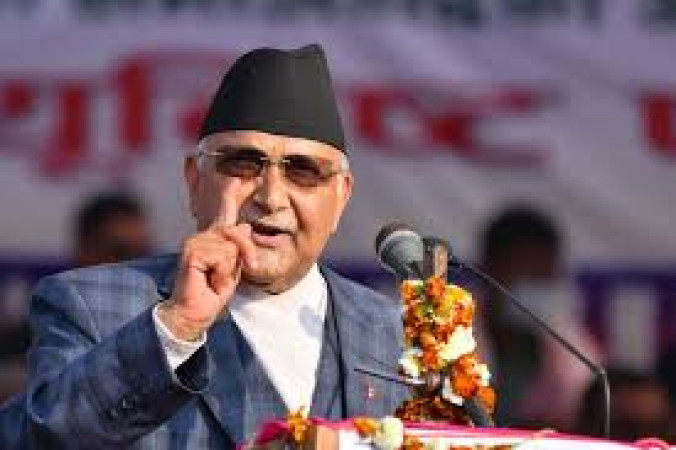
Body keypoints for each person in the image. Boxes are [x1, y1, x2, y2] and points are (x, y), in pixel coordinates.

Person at [0, 44, 408, 449]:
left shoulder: (394, 334)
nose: (271, 197)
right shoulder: (91, 304)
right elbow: (33, 439)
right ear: (195, 181)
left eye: (303, 170)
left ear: (341, 197)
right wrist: (175, 327)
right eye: (244, 163)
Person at [476, 205, 601, 431]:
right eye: (527, 273)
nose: (537, 285)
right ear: (487, 269)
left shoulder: (568, 338)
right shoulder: (449, 329)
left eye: (545, 275)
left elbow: (583, 397)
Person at [72, 191, 154, 267]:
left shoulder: (154, 272)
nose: (137, 263)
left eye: (143, 253)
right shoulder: (67, 275)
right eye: (122, 254)